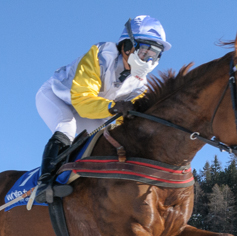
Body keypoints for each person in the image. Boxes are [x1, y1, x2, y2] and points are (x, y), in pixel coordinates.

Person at [34, 15, 171, 191]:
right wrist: (112, 107)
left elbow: (125, 123)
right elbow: (82, 100)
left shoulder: (139, 86)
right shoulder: (100, 56)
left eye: (154, 55)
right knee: (66, 127)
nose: (148, 61)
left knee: (102, 142)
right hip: (57, 96)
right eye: (145, 52)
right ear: (127, 46)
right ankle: (44, 184)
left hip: (93, 109)